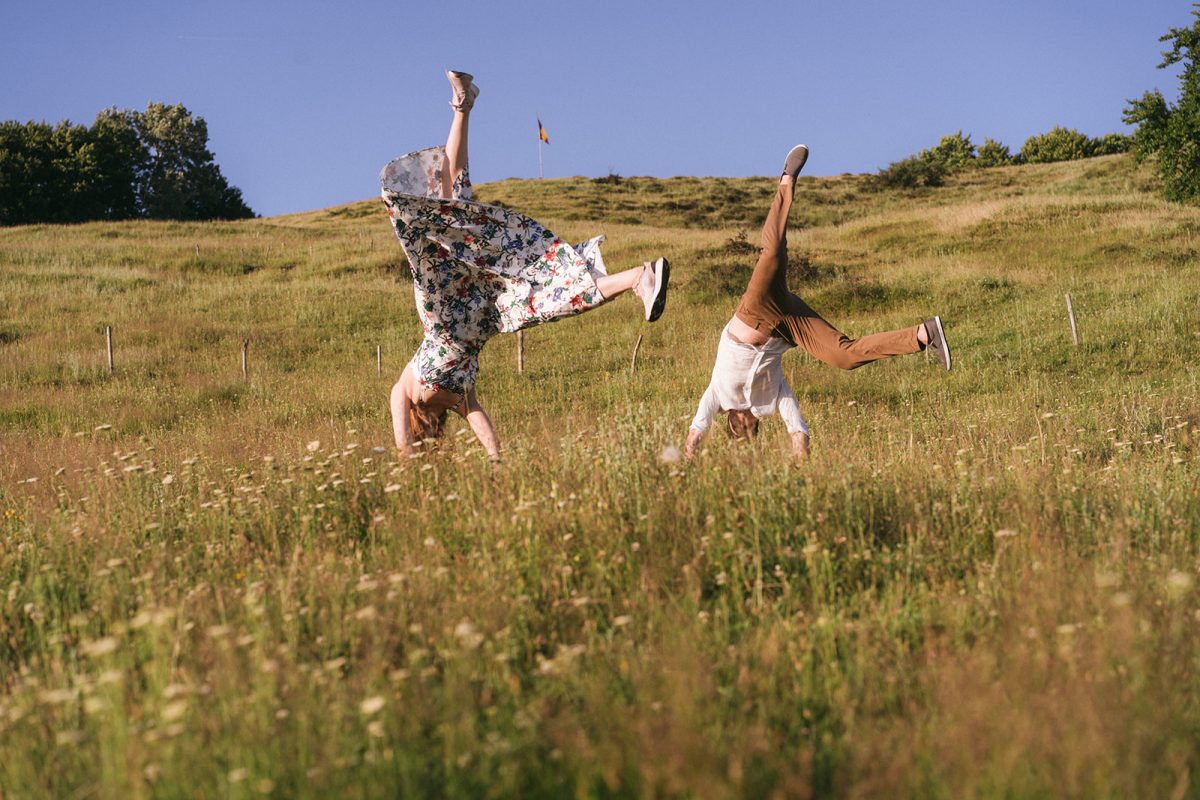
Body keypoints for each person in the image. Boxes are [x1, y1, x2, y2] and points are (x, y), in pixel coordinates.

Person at [382, 70, 669, 460]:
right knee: (553, 301)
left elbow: (396, 402)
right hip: (486, 309)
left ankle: (462, 106)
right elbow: (479, 417)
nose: (427, 436)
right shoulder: (458, 398)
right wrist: (497, 458)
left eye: (422, 439)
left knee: (444, 209)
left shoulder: (411, 391)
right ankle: (639, 277)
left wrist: (404, 453)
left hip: (444, 306)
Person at [685, 144, 951, 460]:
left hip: (754, 313)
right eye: (749, 428)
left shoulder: (717, 395)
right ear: (756, 423)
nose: (745, 423)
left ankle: (786, 180)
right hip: (787, 328)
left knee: (771, 254)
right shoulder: (774, 398)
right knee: (843, 357)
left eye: (737, 427)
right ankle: (924, 335)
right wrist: (799, 467)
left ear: (728, 419)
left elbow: (696, 431)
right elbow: (798, 429)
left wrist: (687, 461)